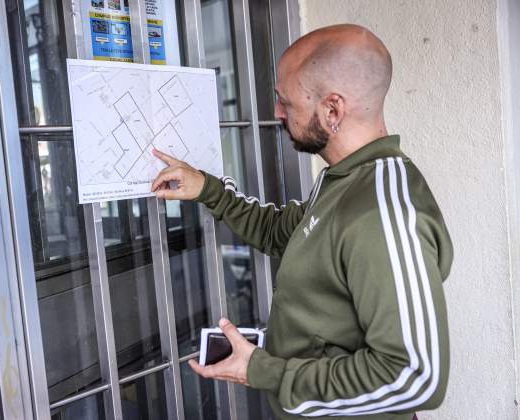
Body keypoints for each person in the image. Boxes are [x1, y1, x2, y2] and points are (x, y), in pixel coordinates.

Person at [151, 24, 452, 420]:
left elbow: (416, 376)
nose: (277, 112)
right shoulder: (343, 179)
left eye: (285, 102)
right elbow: (282, 232)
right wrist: (208, 190)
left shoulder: (381, 212)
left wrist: (263, 370)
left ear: (332, 110)